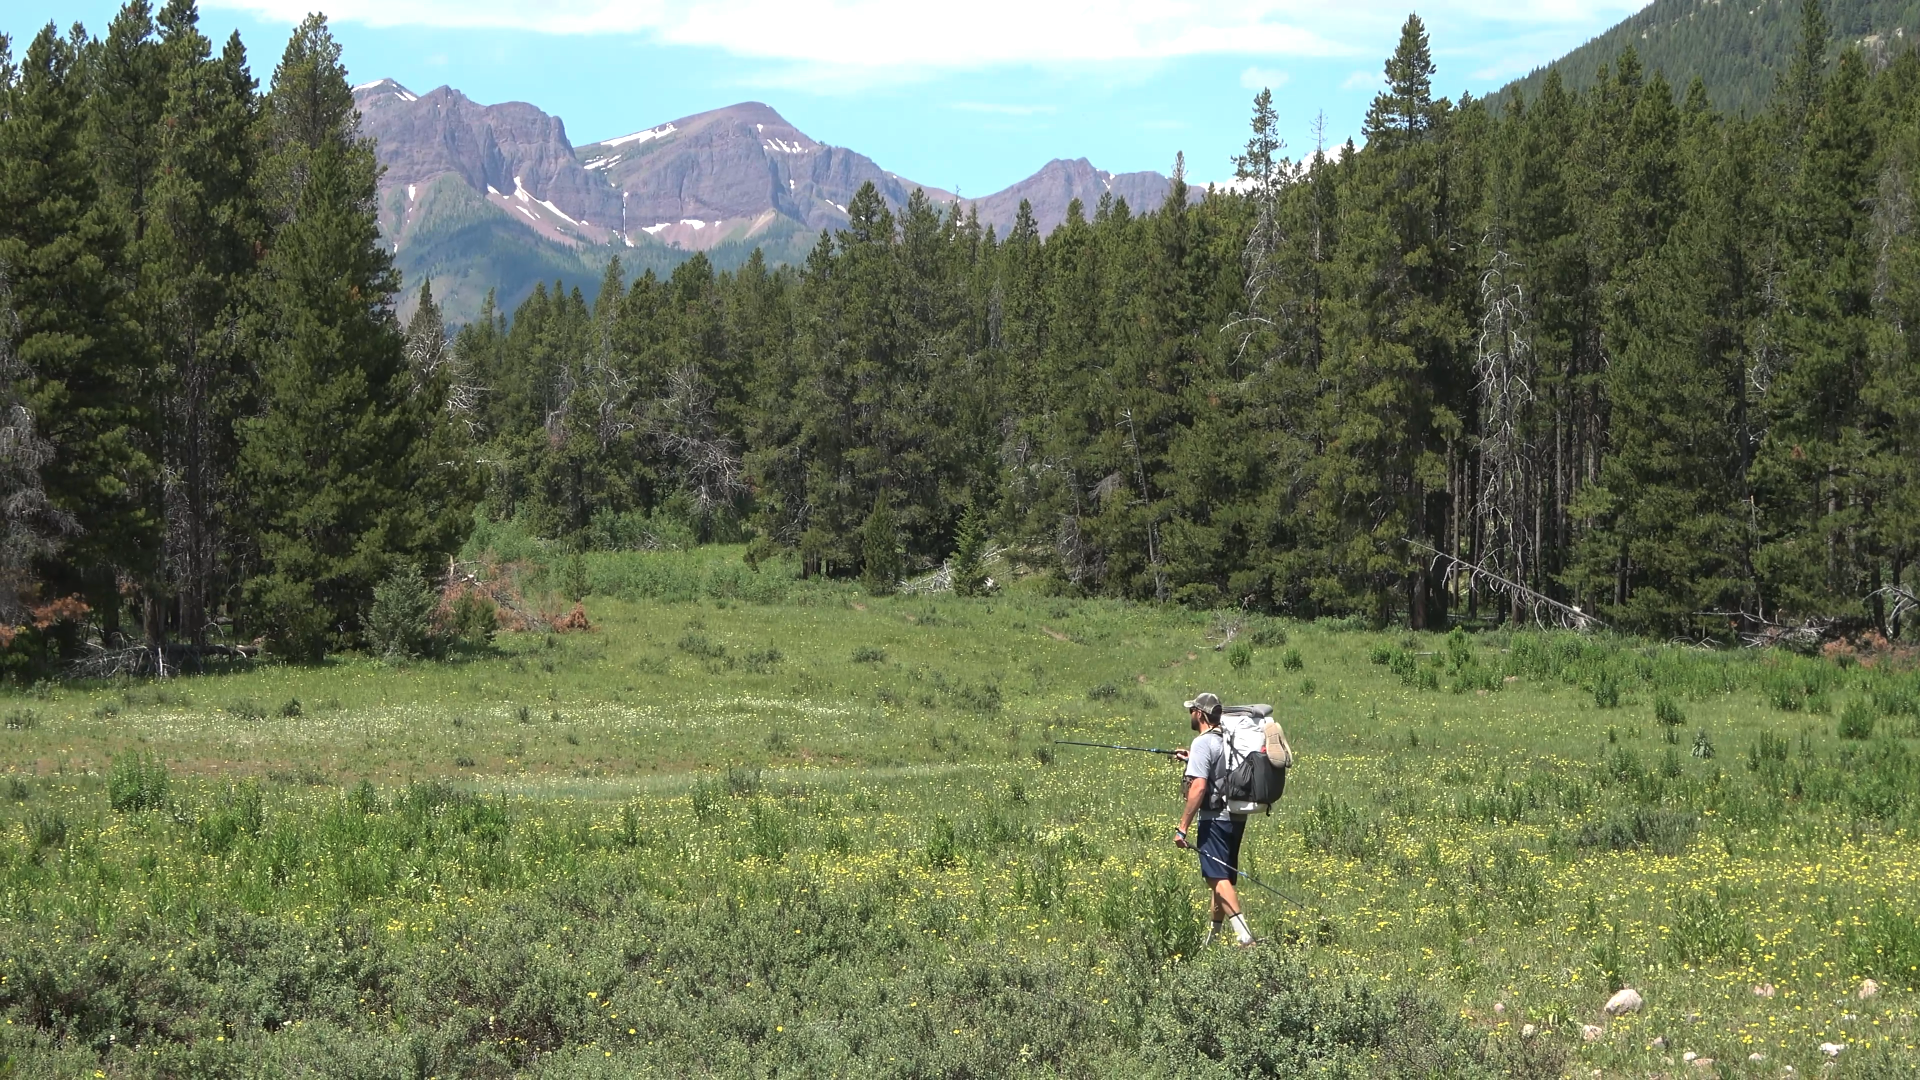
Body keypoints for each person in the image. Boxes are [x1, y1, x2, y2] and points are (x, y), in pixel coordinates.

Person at [1173, 691, 1255, 947]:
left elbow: (1198, 788)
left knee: (1215, 877)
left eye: (1192, 710)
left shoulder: (1203, 742)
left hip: (1214, 818)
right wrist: (1191, 760)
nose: (1190, 714)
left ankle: (1245, 938)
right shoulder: (1226, 739)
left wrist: (1182, 828)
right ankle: (1212, 941)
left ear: (1199, 713)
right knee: (1222, 877)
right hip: (1236, 816)